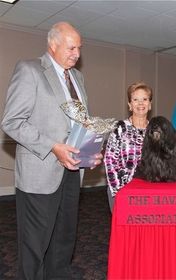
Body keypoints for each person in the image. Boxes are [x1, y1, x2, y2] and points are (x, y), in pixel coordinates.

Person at [1, 22, 102, 279]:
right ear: (52, 44)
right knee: (35, 243)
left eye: (79, 48)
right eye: (71, 47)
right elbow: (12, 122)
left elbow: (79, 122)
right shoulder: (30, 70)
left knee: (64, 237)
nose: (76, 53)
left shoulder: (77, 78)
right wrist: (52, 147)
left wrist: (88, 150)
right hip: (41, 170)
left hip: (72, 169)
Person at [104, 82, 152, 212]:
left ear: (150, 104)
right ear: (130, 105)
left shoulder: (155, 131)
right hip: (122, 190)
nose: (140, 103)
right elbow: (109, 161)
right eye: (136, 100)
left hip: (149, 193)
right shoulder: (119, 128)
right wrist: (119, 190)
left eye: (144, 99)